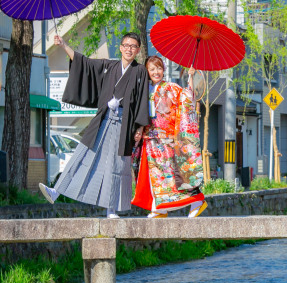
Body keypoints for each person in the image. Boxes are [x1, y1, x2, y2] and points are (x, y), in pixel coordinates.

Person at [39, 34, 150, 219]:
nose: (129, 49)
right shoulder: (109, 66)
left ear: (138, 50)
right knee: (82, 154)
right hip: (103, 119)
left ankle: (111, 209)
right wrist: (64, 45)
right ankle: (56, 191)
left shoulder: (140, 72)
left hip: (123, 124)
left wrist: (139, 128)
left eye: (133, 46)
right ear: (120, 47)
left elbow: (142, 99)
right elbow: (85, 64)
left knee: (116, 165)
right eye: (126, 45)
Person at [131, 56, 206, 218]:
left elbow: (187, 98)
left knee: (174, 175)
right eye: (152, 69)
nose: (156, 72)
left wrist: (191, 77)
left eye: (159, 68)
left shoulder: (171, 87)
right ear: (147, 71)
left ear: (163, 69)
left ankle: (197, 201)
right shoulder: (145, 89)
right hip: (150, 138)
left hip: (167, 139)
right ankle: (159, 208)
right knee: (155, 176)